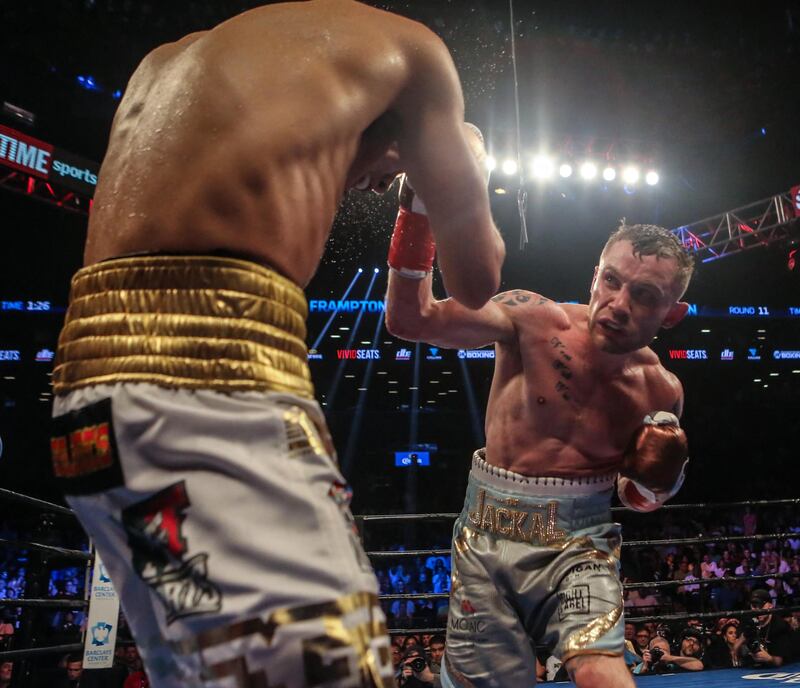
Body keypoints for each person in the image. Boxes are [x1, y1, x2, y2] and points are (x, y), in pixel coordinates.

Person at [49, 3, 504, 688]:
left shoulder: (174, 60)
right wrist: (437, 183)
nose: (368, 187)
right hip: (209, 382)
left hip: (85, 407)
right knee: (341, 673)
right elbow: (476, 280)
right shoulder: (417, 56)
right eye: (384, 176)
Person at [386, 221, 694, 687]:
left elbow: (639, 498)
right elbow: (411, 319)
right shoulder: (533, 320)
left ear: (672, 313)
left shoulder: (660, 392)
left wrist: (662, 481)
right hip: (486, 534)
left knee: (599, 666)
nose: (619, 305)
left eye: (646, 296)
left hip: (580, 540)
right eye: (611, 281)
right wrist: (420, 212)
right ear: (595, 276)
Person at [745, 588, 796, 667]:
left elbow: (779, 661)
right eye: (754, 606)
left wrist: (769, 658)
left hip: (786, 668)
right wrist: (736, 648)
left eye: (761, 606)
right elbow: (744, 635)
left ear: (770, 605)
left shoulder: (779, 626)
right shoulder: (751, 622)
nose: (758, 610)